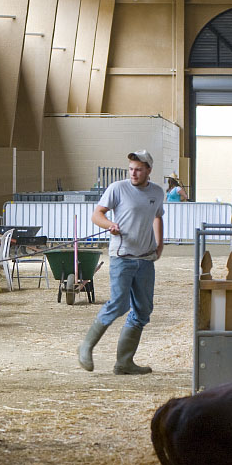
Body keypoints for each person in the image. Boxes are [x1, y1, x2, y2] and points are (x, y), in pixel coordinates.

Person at [78, 150, 164, 375]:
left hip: (145, 259)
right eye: (131, 169)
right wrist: (109, 225)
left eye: (138, 169)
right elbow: (97, 214)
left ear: (148, 171)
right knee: (118, 304)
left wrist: (159, 244)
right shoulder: (117, 188)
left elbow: (157, 216)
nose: (133, 173)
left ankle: (124, 362)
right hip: (122, 257)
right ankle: (86, 346)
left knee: (143, 309)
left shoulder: (157, 192)